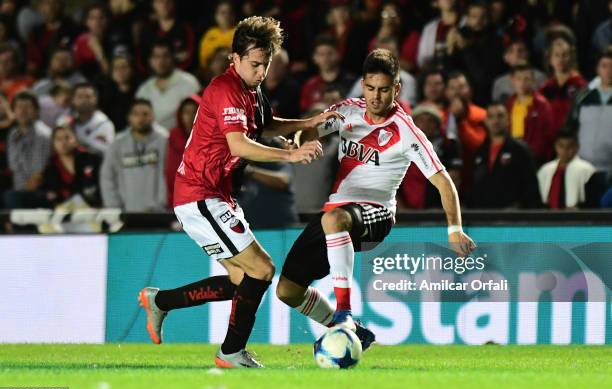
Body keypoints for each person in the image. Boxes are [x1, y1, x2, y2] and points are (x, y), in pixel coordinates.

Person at [137, 16, 340, 369]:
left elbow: (267, 124)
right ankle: (230, 352)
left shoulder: (251, 90)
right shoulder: (225, 89)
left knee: (242, 281)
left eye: (266, 64)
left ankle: (161, 301)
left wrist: (308, 123)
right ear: (234, 58)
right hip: (199, 194)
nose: (261, 71)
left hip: (215, 195)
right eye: (254, 63)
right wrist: (291, 154)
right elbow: (240, 144)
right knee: (262, 269)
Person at [275, 49, 476, 344]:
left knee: (334, 220)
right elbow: (310, 130)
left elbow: (443, 181)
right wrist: (298, 142)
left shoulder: (407, 132)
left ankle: (343, 314)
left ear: (396, 89)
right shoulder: (347, 111)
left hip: (377, 213)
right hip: (338, 211)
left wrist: (455, 228)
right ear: (363, 85)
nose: (376, 96)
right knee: (287, 291)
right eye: (370, 88)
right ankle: (352, 331)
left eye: (384, 90)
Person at [99, 98, 168, 212]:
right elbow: (107, 176)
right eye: (136, 114)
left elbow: (170, 175)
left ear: (153, 116)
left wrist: (163, 203)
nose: (141, 118)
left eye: (145, 114)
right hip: (126, 212)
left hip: (159, 211)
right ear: (129, 117)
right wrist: (114, 207)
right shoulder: (117, 143)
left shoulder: (165, 140)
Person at [468, 102, 541, 209]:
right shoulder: (478, 153)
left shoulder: (521, 150)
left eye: (500, 116)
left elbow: (531, 187)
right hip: (483, 218)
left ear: (508, 119)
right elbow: (474, 187)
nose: (495, 121)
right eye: (491, 117)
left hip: (512, 218)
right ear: (486, 121)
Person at [566, 46, 612, 178]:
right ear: (597, 69)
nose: (609, 71)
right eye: (604, 66)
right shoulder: (583, 97)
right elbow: (571, 127)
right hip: (582, 169)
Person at [135, 41, 201, 130]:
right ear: (150, 61)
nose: (161, 61)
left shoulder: (189, 83)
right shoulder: (143, 90)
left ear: (173, 58)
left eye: (165, 56)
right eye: (156, 57)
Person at [537, 128, 602, 209]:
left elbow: (593, 202)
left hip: (576, 218)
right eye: (561, 146)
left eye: (570, 146)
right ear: (555, 146)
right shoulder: (545, 170)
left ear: (577, 146)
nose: (565, 150)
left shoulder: (587, 171)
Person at [39, 125, 102, 208]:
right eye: (59, 139)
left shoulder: (92, 160)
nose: (63, 142)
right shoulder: (50, 166)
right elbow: (49, 193)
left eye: (67, 138)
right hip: (63, 212)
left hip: (93, 209)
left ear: (76, 140)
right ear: (53, 144)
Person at [506, 64, 555, 164]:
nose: (522, 83)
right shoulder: (508, 104)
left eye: (526, 79)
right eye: (518, 79)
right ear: (512, 80)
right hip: (512, 155)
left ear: (533, 80)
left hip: (533, 158)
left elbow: (546, 136)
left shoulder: (541, 105)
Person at [57, 82, 115, 155]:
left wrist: (78, 143)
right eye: (80, 97)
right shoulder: (63, 121)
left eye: (88, 97)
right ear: (73, 100)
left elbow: (107, 152)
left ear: (96, 99)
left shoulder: (104, 124)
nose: (84, 100)